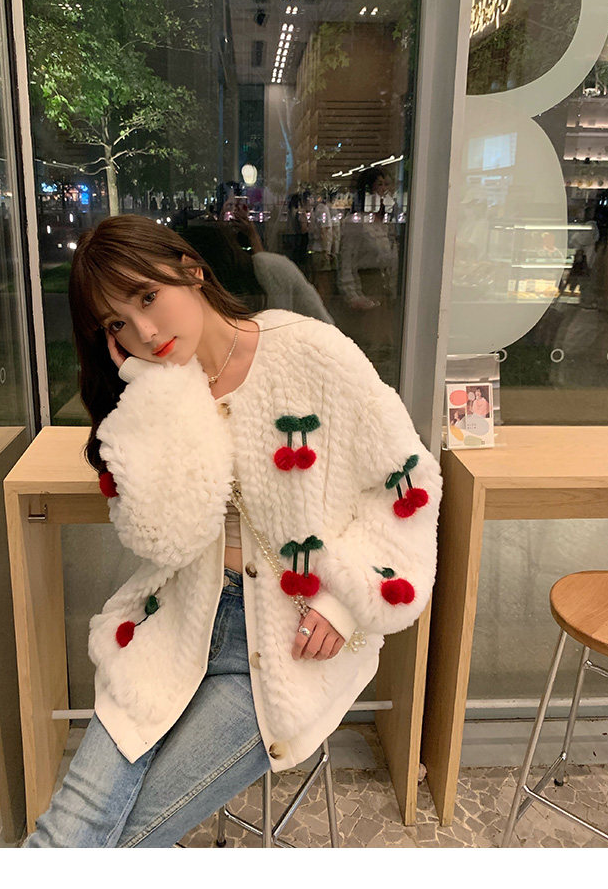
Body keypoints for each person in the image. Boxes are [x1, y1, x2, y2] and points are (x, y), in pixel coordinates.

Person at [25, 214, 441, 847]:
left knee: (124, 843)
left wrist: (343, 602)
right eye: (116, 325)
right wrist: (154, 396)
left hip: (289, 642)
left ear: (191, 271)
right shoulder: (159, 388)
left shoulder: (311, 353)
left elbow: (406, 483)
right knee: (68, 831)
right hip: (179, 622)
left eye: (147, 297)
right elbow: (163, 538)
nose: (144, 332)